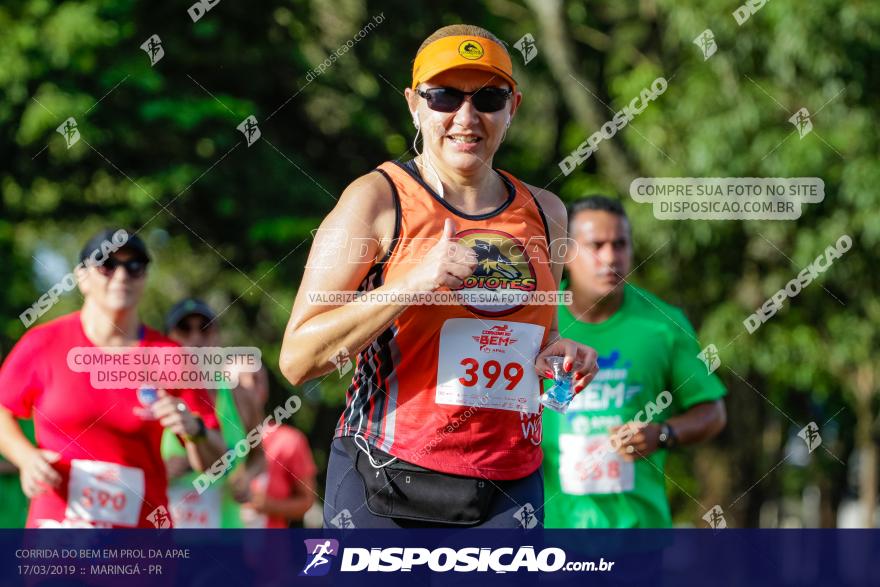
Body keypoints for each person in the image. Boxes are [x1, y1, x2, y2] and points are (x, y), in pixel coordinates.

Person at [280, 24, 598, 528]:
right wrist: (412, 283)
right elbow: (298, 358)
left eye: (488, 98)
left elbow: (539, 337)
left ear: (512, 106)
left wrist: (560, 355)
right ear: (414, 104)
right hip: (383, 481)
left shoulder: (547, 212)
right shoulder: (377, 200)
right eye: (445, 96)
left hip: (507, 490)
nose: (466, 118)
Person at [0, 229, 224, 528]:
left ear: (144, 278)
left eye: (135, 267)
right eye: (107, 265)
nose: (122, 276)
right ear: (81, 277)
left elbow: (214, 460)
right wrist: (26, 457)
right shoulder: (44, 343)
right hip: (59, 534)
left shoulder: (170, 355)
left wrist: (194, 429)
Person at [542, 196, 727, 528]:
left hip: (638, 533)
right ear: (566, 253)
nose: (611, 257)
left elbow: (712, 413)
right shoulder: (538, 319)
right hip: (549, 532)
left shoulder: (662, 324)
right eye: (596, 245)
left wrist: (662, 434)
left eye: (620, 244)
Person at [161, 298, 251, 529]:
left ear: (216, 335)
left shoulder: (236, 394)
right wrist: (161, 471)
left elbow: (260, 453)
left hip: (223, 538)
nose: (195, 338)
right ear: (168, 338)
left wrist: (247, 475)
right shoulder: (154, 393)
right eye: (184, 329)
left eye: (204, 328)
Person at [230, 375, 317, 529]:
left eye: (256, 379)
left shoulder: (289, 440)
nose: (249, 384)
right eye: (239, 379)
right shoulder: (207, 437)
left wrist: (270, 506)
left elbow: (307, 500)